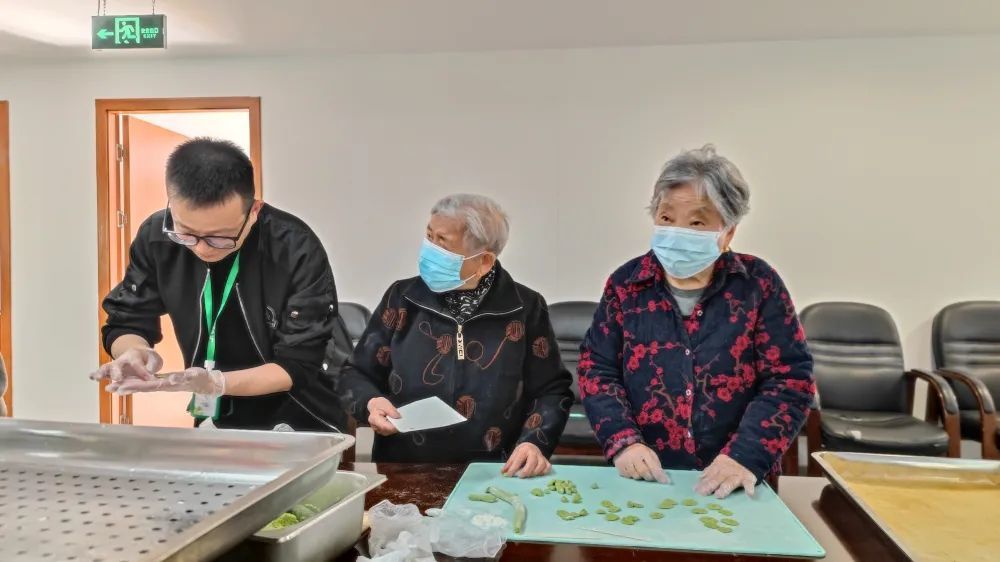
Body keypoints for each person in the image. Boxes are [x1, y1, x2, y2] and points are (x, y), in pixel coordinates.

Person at [579, 145, 816, 498]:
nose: (677, 232)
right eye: (666, 217)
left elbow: (790, 379)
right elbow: (597, 369)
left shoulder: (758, 284)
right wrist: (624, 442)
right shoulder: (626, 284)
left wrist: (744, 455)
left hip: (736, 480)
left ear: (728, 233)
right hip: (644, 477)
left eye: (697, 222)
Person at [91, 138, 345, 432]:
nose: (202, 248)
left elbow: (298, 364)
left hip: (299, 417)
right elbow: (126, 320)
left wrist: (217, 382)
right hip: (213, 416)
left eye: (220, 237)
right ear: (171, 204)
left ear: (254, 211)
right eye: (187, 233)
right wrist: (133, 351)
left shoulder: (294, 248)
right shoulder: (157, 237)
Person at [341, 194, 573, 477]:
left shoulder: (524, 308)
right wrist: (371, 403)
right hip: (404, 466)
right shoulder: (403, 298)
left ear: (484, 261)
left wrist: (534, 443)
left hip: (496, 470)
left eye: (442, 242)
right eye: (429, 236)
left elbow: (551, 390)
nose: (430, 249)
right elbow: (355, 373)